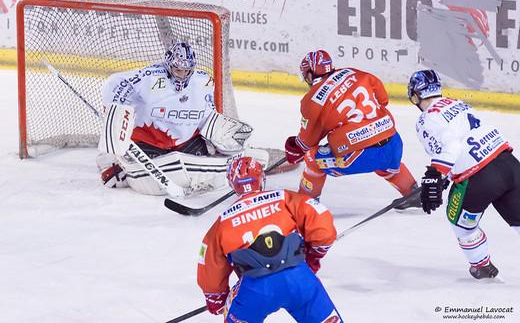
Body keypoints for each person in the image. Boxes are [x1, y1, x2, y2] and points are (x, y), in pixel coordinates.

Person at [96, 41, 262, 195]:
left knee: (204, 165)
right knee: (118, 181)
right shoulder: (149, 77)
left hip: (187, 144)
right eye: (178, 70)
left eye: (187, 70)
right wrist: (115, 113)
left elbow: (207, 114)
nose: (182, 75)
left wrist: (218, 136)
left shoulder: (204, 81)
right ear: (169, 65)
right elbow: (115, 83)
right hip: (148, 144)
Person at [197, 156, 343, 322]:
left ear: (232, 185)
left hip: (255, 289)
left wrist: (216, 298)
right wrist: (313, 255)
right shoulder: (285, 198)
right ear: (261, 178)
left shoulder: (221, 223)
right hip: (299, 278)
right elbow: (323, 226)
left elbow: (208, 264)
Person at [408, 69, 520, 279]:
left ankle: (481, 266)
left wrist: (436, 174)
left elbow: (450, 146)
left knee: (459, 222)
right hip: (510, 165)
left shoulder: (426, 119)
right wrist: (444, 177)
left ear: (415, 95)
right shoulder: (457, 102)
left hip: (479, 178)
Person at [284, 49, 419, 209]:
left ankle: (304, 208)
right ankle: (413, 193)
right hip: (394, 145)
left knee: (312, 158)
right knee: (384, 161)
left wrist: (296, 146)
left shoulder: (311, 100)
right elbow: (383, 99)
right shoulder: (354, 73)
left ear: (309, 75)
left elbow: (307, 142)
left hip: (361, 155)